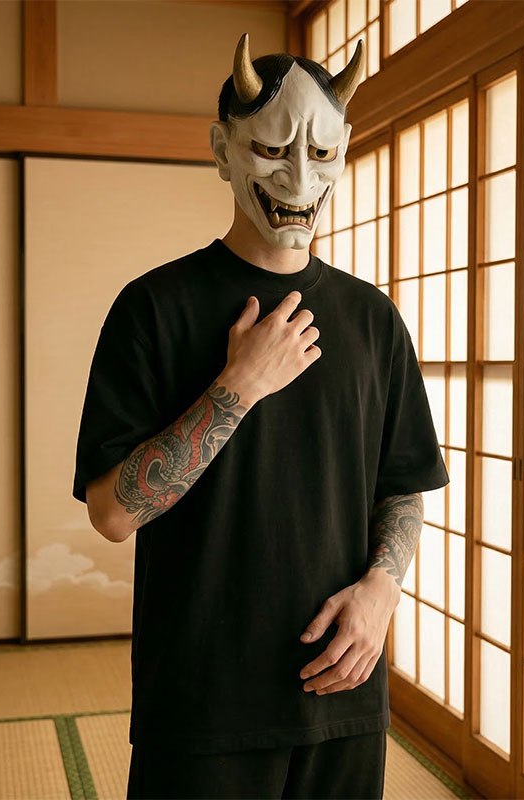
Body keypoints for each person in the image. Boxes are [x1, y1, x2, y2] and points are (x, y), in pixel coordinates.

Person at [72, 32, 449, 800]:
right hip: (203, 704)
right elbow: (112, 513)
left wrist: (383, 589)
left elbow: (403, 483)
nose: (300, 177)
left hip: (344, 692)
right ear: (223, 150)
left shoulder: (374, 318)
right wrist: (238, 388)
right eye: (273, 150)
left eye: (322, 153)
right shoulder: (153, 308)